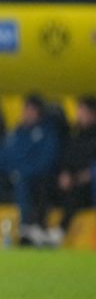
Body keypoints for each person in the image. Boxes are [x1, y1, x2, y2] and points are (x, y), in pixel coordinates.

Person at [0, 95, 60, 247]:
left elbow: (46, 163)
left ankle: (25, 232)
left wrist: (21, 172)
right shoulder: (16, 133)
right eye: (24, 109)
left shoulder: (46, 134)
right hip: (8, 179)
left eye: (29, 110)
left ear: (38, 112)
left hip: (31, 181)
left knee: (22, 183)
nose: (25, 113)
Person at [48, 96, 96, 245]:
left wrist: (81, 177)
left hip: (87, 184)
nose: (78, 115)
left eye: (82, 111)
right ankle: (37, 227)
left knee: (76, 192)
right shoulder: (75, 135)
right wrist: (64, 174)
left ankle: (59, 232)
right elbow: (66, 159)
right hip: (71, 180)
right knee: (45, 184)